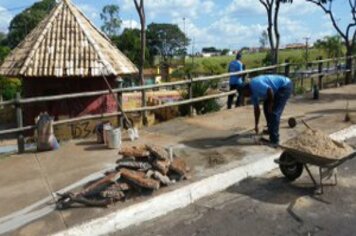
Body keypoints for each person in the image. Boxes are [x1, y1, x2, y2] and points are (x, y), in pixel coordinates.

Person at [243, 74, 292, 145]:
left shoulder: (255, 84)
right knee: (266, 107)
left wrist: (271, 104)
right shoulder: (252, 94)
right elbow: (257, 110)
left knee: (274, 112)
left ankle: (274, 140)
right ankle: (270, 129)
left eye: (244, 94)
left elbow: (269, 90)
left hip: (284, 86)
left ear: (246, 88)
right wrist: (256, 125)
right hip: (275, 90)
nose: (245, 96)